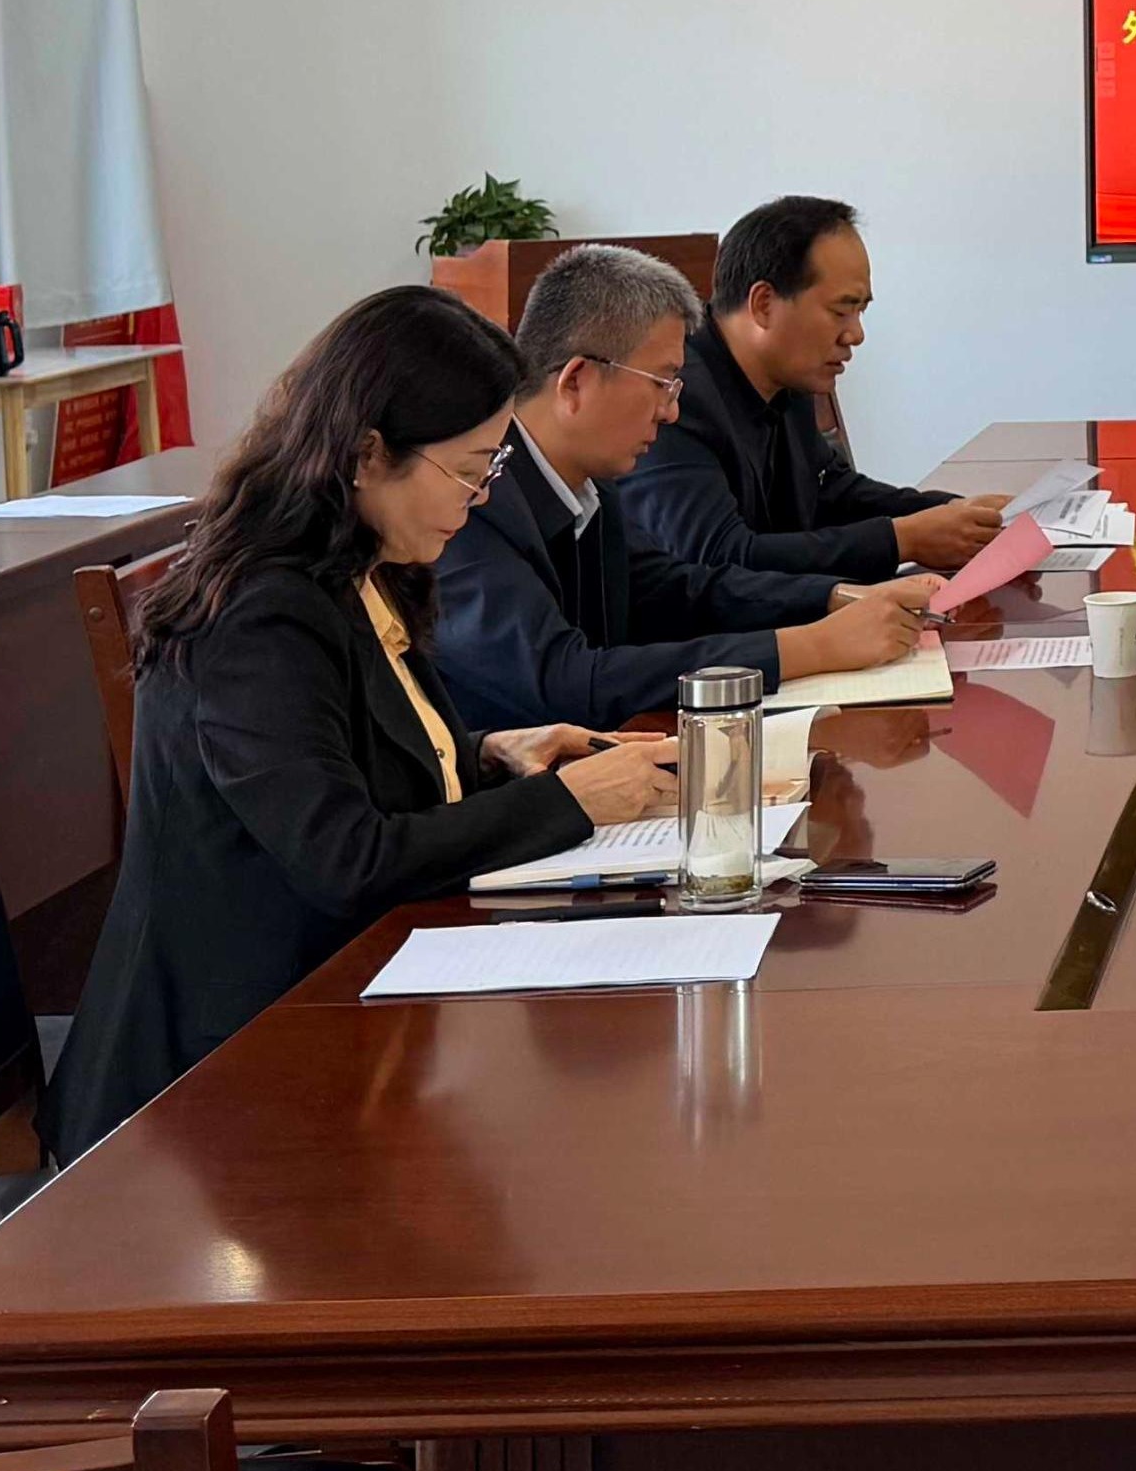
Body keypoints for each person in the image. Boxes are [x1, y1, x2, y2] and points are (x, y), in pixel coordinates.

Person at [51, 288, 678, 1157]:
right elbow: (342, 857)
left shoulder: (364, 562)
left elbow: (346, 757)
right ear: (368, 453)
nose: (479, 497)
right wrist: (572, 803)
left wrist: (492, 753)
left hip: (325, 999)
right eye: (466, 469)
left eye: (490, 468)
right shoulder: (262, 615)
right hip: (209, 1084)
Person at [438, 244, 935, 730]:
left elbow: (680, 590)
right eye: (662, 382)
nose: (671, 410)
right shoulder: (475, 498)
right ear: (576, 381)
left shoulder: (590, 484)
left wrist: (833, 597)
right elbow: (567, 680)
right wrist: (814, 647)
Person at [622, 196, 1009, 581]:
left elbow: (831, 491)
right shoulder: (674, 395)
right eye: (841, 311)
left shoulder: (787, 379)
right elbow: (719, 558)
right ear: (764, 304)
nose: (856, 334)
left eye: (861, 312)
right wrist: (901, 540)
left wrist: (955, 513)